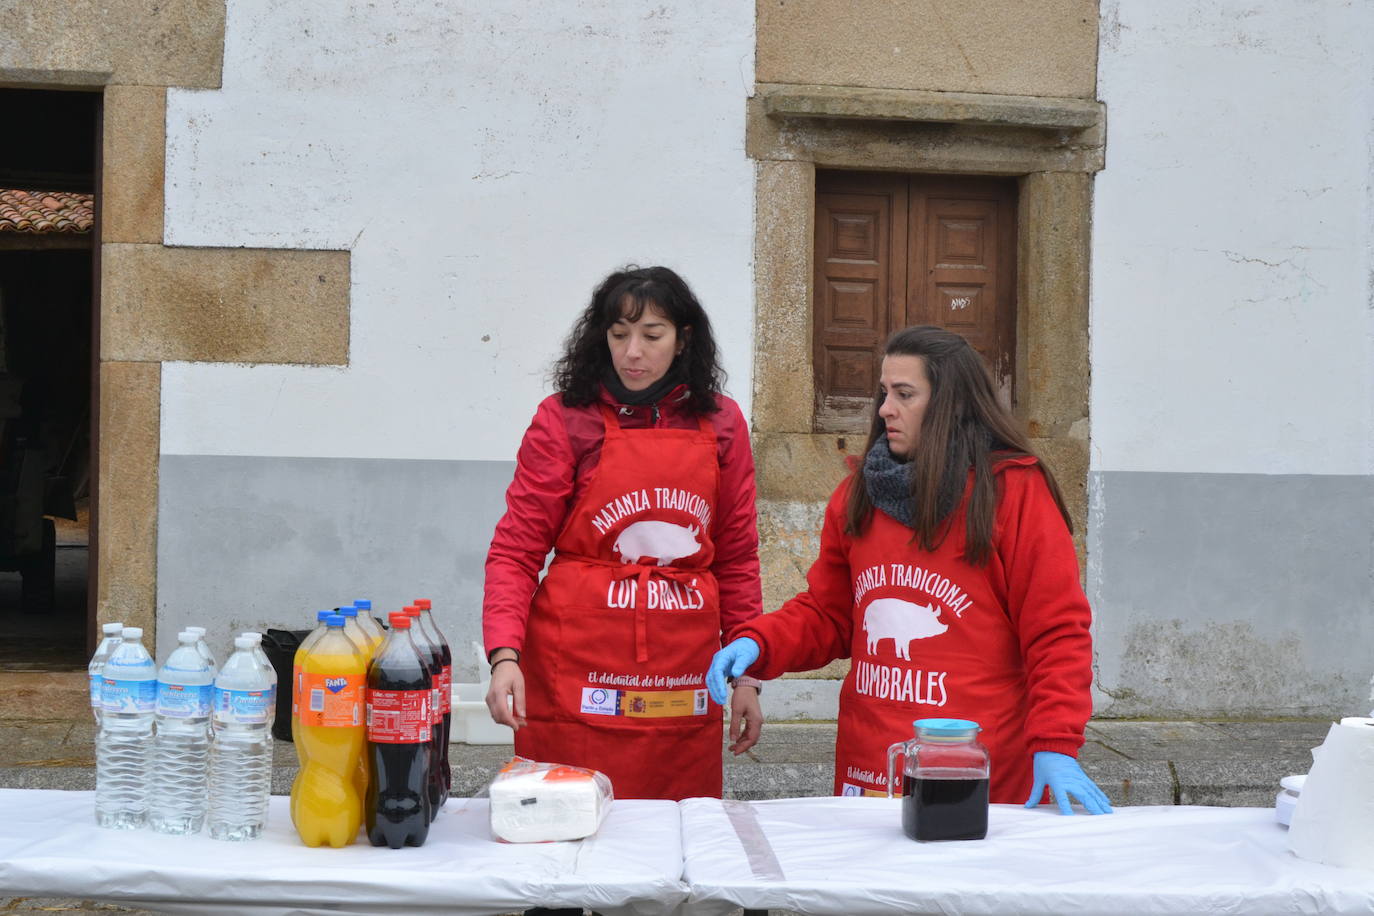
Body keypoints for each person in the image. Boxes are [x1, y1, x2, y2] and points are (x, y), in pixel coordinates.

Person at [707, 325, 1112, 815]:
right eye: (884, 393)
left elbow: (1057, 632)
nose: (884, 409)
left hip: (978, 765)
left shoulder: (1014, 494)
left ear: (950, 404)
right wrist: (760, 642)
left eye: (904, 394)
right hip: (871, 765)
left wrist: (1055, 741)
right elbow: (830, 616)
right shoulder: (857, 494)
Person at [484, 265, 763, 802]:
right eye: (619, 335)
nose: (633, 352)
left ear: (683, 340)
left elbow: (736, 560)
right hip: (577, 670)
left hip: (681, 675)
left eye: (651, 335)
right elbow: (515, 552)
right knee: (563, 825)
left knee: (677, 830)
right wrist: (505, 657)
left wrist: (747, 676)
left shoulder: (723, 424)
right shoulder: (566, 419)